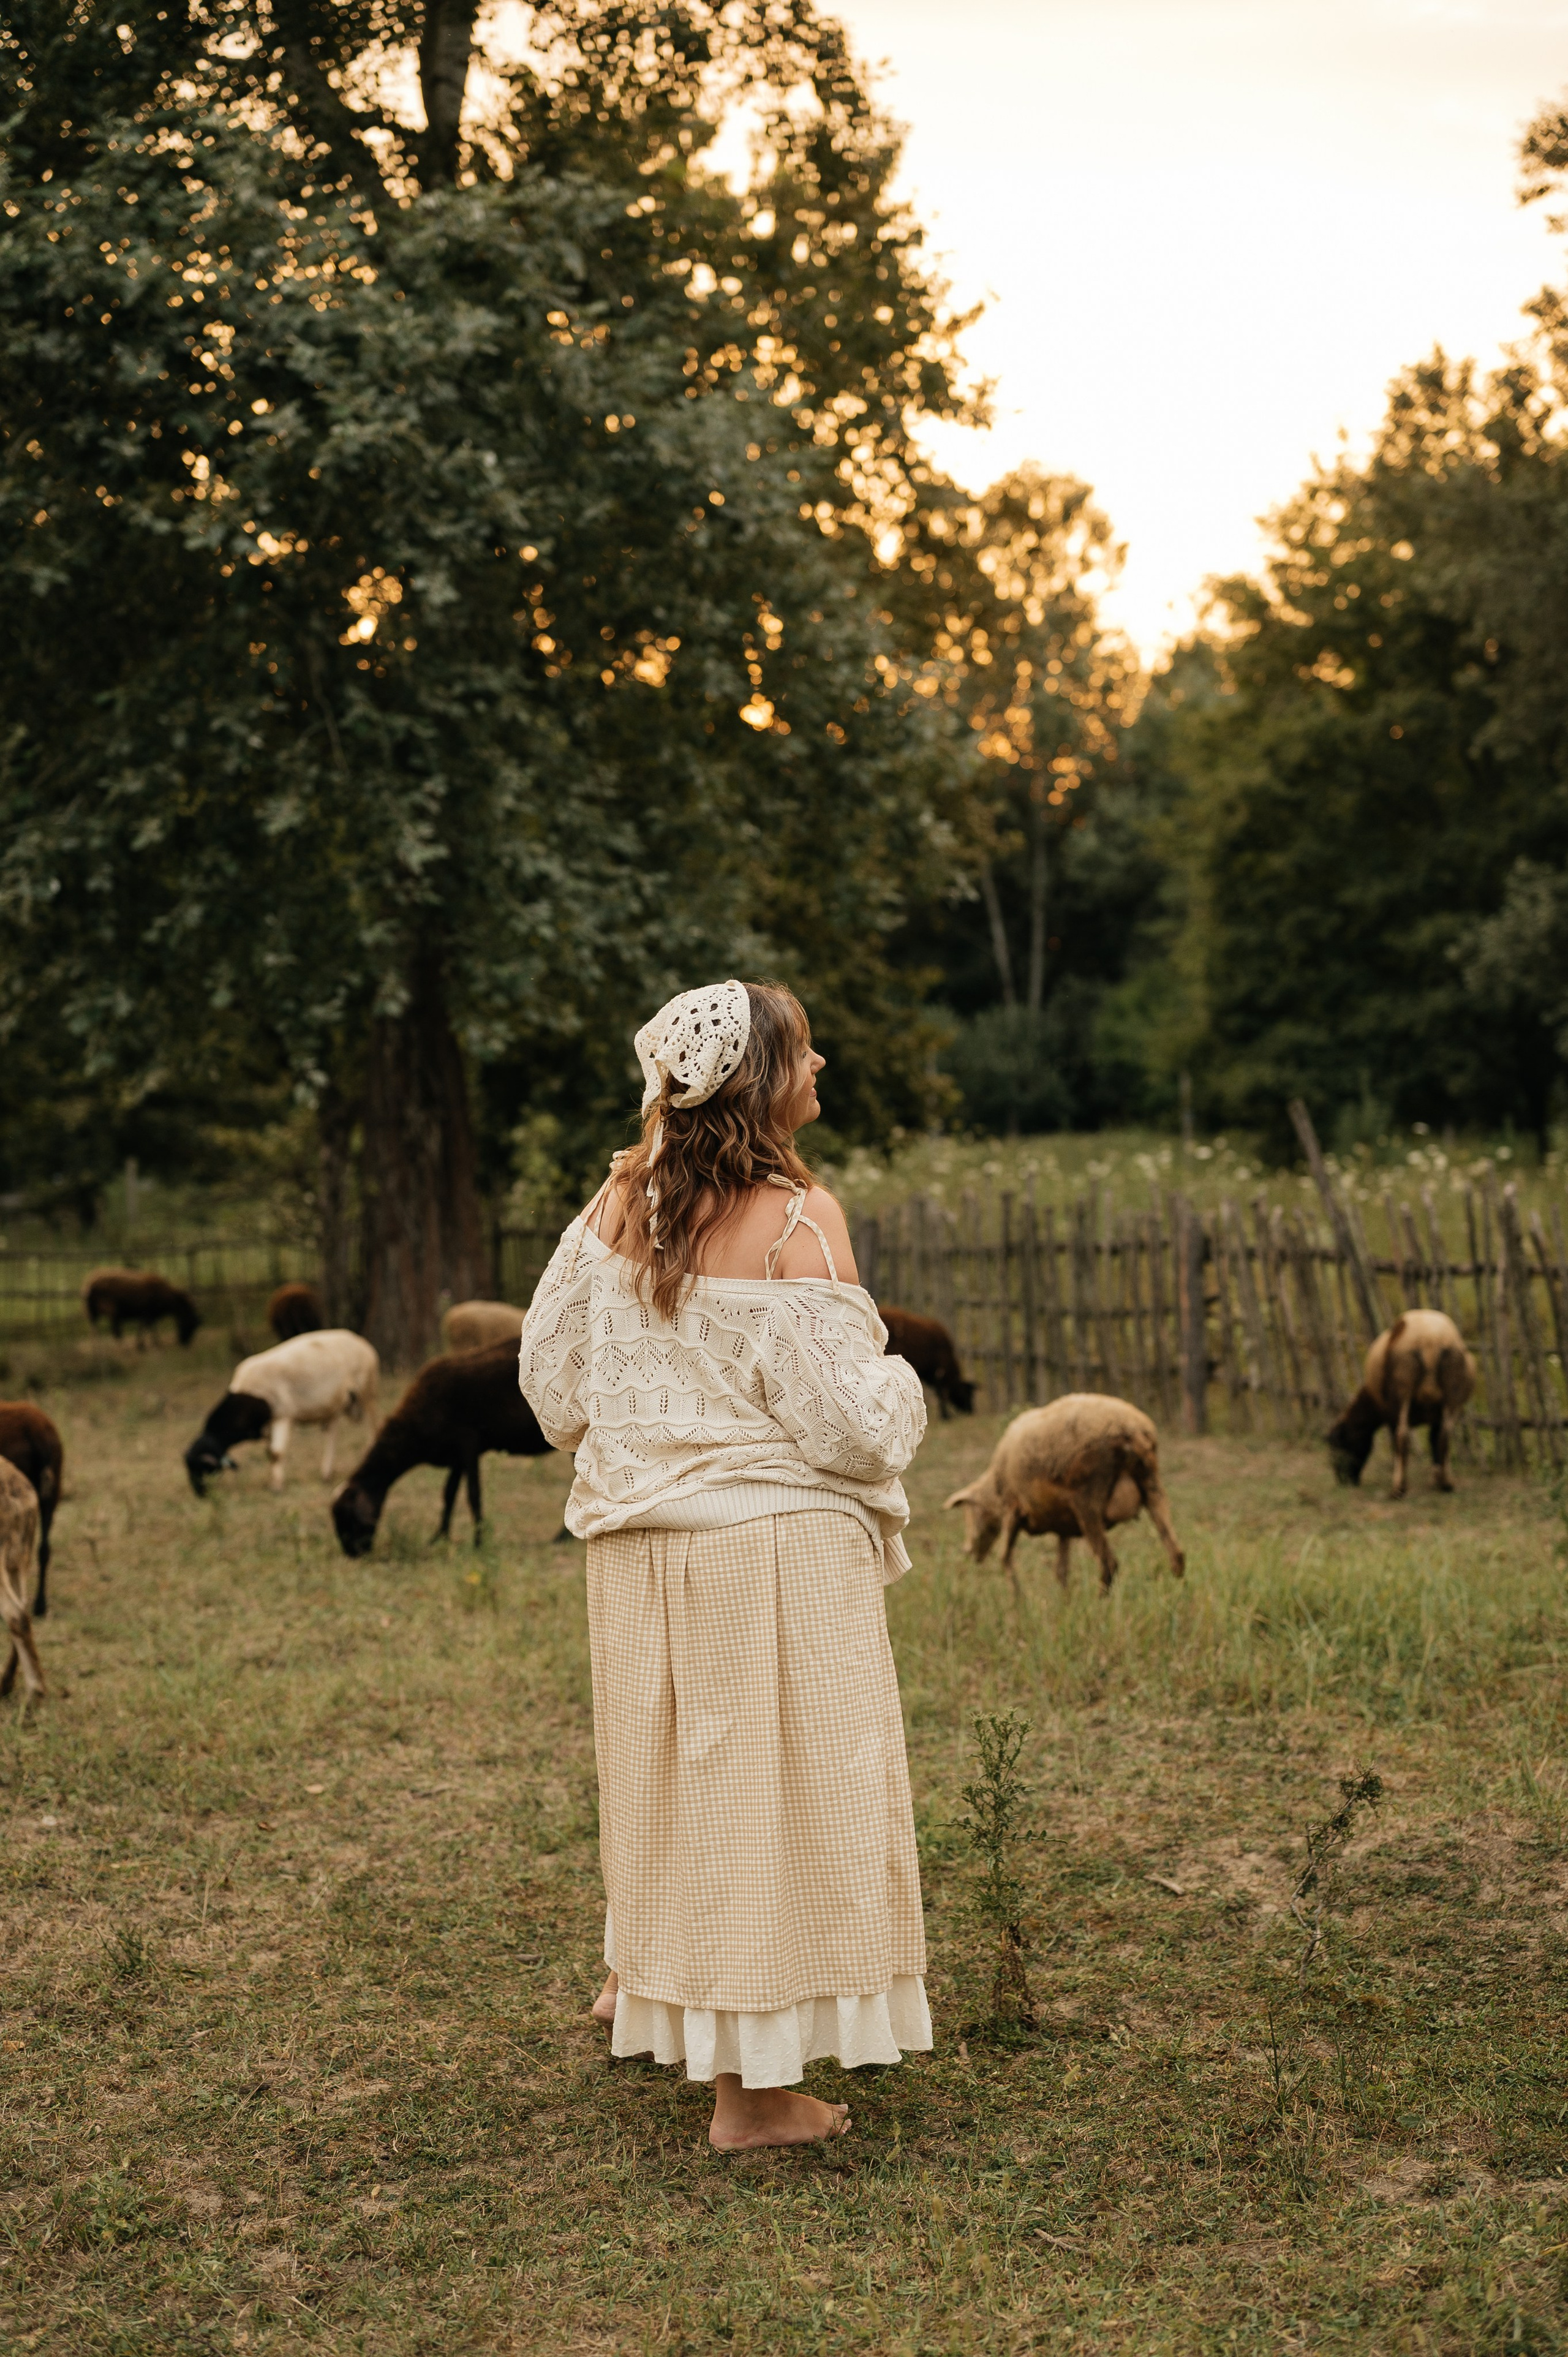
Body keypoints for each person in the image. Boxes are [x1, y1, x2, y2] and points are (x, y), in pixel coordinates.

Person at [518, 978, 932, 2151]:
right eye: (804, 1053)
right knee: (769, 1800)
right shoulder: (801, 1221)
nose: (821, 1068)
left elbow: (549, 1394)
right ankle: (752, 2102)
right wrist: (901, 1383)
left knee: (668, 1779)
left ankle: (638, 1982)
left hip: (639, 1551)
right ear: (760, 1082)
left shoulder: (611, 1210)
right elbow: (849, 1428)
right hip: (772, 1558)